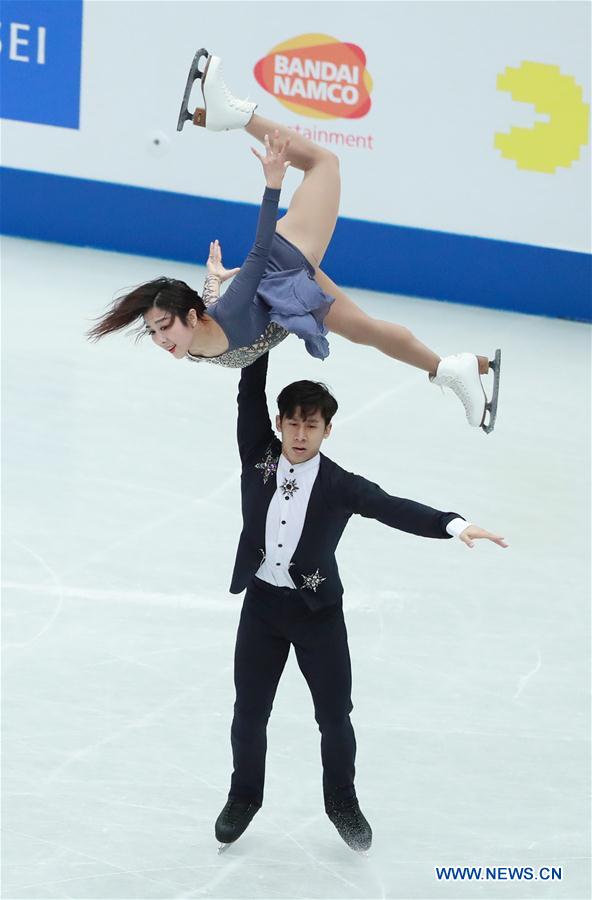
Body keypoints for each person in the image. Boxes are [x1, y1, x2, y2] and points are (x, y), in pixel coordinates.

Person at [87, 51, 501, 433]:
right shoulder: (195, 337)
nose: (161, 339)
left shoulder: (225, 314)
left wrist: (273, 187)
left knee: (324, 162)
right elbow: (207, 302)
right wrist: (212, 276)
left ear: (189, 319)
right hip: (291, 291)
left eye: (164, 327)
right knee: (365, 331)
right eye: (155, 331)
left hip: (288, 255)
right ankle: (458, 367)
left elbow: (260, 250)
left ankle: (235, 115)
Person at [214, 349, 508, 853]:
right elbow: (249, 392)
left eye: (312, 425)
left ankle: (341, 801)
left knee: (334, 716)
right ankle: (244, 796)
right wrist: (253, 336)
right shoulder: (258, 456)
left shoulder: (338, 485)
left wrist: (452, 523)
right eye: (292, 423)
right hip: (261, 607)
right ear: (279, 423)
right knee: (249, 712)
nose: (300, 434)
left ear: (329, 430)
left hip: (317, 616)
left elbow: (392, 508)